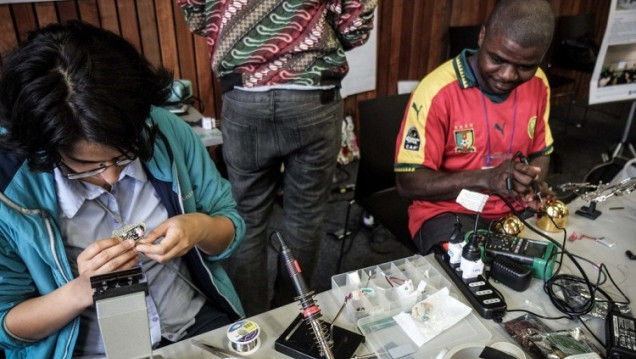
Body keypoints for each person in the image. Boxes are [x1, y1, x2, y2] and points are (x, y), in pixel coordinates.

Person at [0, 20, 246, 358]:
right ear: (46, 147)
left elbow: (229, 226)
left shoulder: (165, 130)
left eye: (125, 155)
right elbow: (7, 327)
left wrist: (200, 228)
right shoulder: (9, 189)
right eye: (88, 164)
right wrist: (81, 290)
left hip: (191, 326)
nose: (113, 176)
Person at [177, 0, 377, 316]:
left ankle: (252, 320)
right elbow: (355, 27)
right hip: (313, 94)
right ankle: (291, 313)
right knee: (306, 216)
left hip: (243, 94)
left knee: (246, 216)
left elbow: (198, 17)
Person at [395, 0, 555, 255]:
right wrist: (485, 178)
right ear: (482, 36)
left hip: (514, 209)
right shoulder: (436, 92)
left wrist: (533, 182)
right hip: (450, 212)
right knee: (472, 276)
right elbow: (407, 183)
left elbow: (541, 151)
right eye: (497, 59)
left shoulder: (539, 84)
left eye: (525, 66)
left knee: (554, 263)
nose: (507, 75)